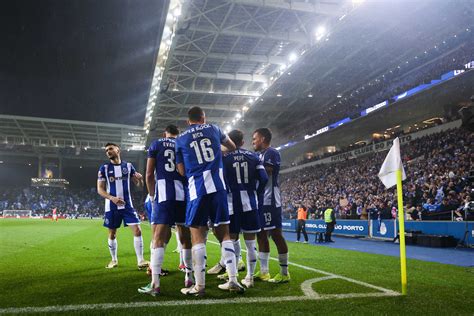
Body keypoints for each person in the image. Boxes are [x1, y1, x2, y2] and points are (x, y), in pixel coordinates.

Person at [175, 106, 242, 296]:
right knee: (225, 235)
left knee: (197, 234)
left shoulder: (181, 139)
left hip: (197, 189)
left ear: (189, 121)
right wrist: (216, 152)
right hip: (218, 187)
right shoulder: (214, 129)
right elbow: (232, 147)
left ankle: (200, 286)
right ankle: (233, 280)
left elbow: (180, 171)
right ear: (203, 118)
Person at [138, 125, 193, 296]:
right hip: (183, 194)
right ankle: (189, 278)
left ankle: (155, 284)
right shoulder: (183, 142)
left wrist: (153, 196)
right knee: (185, 237)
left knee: (158, 238)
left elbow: (148, 174)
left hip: (163, 193)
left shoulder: (157, 144)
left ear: (165, 133)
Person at [213, 129, 268, 288]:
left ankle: (233, 277)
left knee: (231, 240)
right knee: (251, 243)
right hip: (250, 203)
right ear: (243, 142)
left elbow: (220, 180)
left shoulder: (224, 159)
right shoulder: (254, 156)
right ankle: (249, 278)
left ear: (228, 141)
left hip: (231, 204)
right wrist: (256, 192)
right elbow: (263, 178)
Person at [97, 142, 147, 269]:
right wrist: (111, 198)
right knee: (112, 233)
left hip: (127, 205)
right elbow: (100, 189)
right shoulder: (104, 168)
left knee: (137, 230)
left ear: (118, 150)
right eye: (106, 150)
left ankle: (140, 261)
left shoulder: (129, 166)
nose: (108, 151)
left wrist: (140, 179)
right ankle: (114, 260)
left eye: (110, 149)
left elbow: (138, 186)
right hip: (111, 206)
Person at [252, 128, 290, 283]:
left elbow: (267, 171)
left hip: (270, 200)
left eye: (254, 138)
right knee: (260, 235)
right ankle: (264, 272)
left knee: (276, 234)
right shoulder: (258, 155)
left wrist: (250, 169)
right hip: (261, 200)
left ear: (262, 138)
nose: (253, 141)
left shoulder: (271, 152)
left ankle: (284, 272)